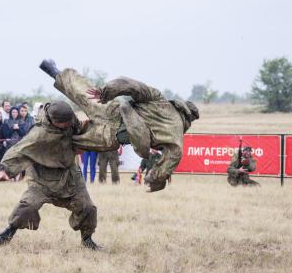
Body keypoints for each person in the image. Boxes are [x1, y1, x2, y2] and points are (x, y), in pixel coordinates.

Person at [40, 59, 199, 192]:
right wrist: (155, 180)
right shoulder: (176, 137)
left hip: (112, 110)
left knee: (82, 91)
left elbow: (131, 85)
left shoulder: (160, 100)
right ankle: (41, 142)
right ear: (188, 120)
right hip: (112, 136)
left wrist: (105, 93)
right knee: (72, 141)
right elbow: (170, 159)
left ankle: (54, 71)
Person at [0, 101, 100, 250]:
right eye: (64, 124)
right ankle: (9, 231)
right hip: (41, 178)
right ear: (54, 121)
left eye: (69, 122)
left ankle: (87, 239)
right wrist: (4, 170)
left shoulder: (71, 120)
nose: (68, 125)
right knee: (27, 206)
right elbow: (19, 150)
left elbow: (81, 132)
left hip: (69, 175)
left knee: (88, 208)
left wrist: (85, 133)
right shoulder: (38, 133)